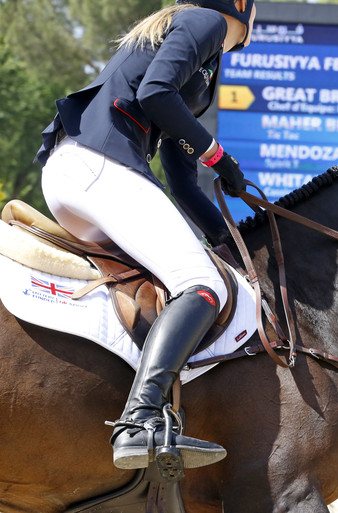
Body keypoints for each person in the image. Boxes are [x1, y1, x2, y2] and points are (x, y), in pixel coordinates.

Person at [34, 0, 256, 472]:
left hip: (79, 173)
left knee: (174, 280)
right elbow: (156, 92)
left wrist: (233, 239)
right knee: (203, 287)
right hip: (101, 166)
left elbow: (181, 183)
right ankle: (140, 420)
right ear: (242, 8)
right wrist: (218, 155)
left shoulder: (204, 68)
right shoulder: (207, 22)